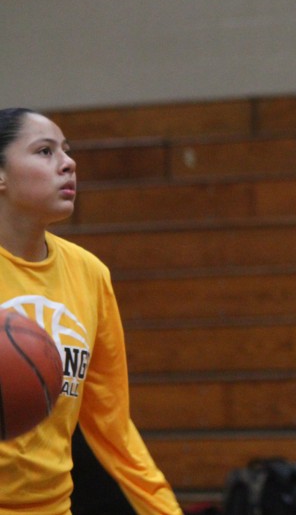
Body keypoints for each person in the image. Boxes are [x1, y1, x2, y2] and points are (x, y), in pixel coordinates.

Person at [0, 107, 182, 515]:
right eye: (45, 152)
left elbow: (113, 426)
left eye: (67, 150)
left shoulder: (90, 274)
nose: (68, 163)